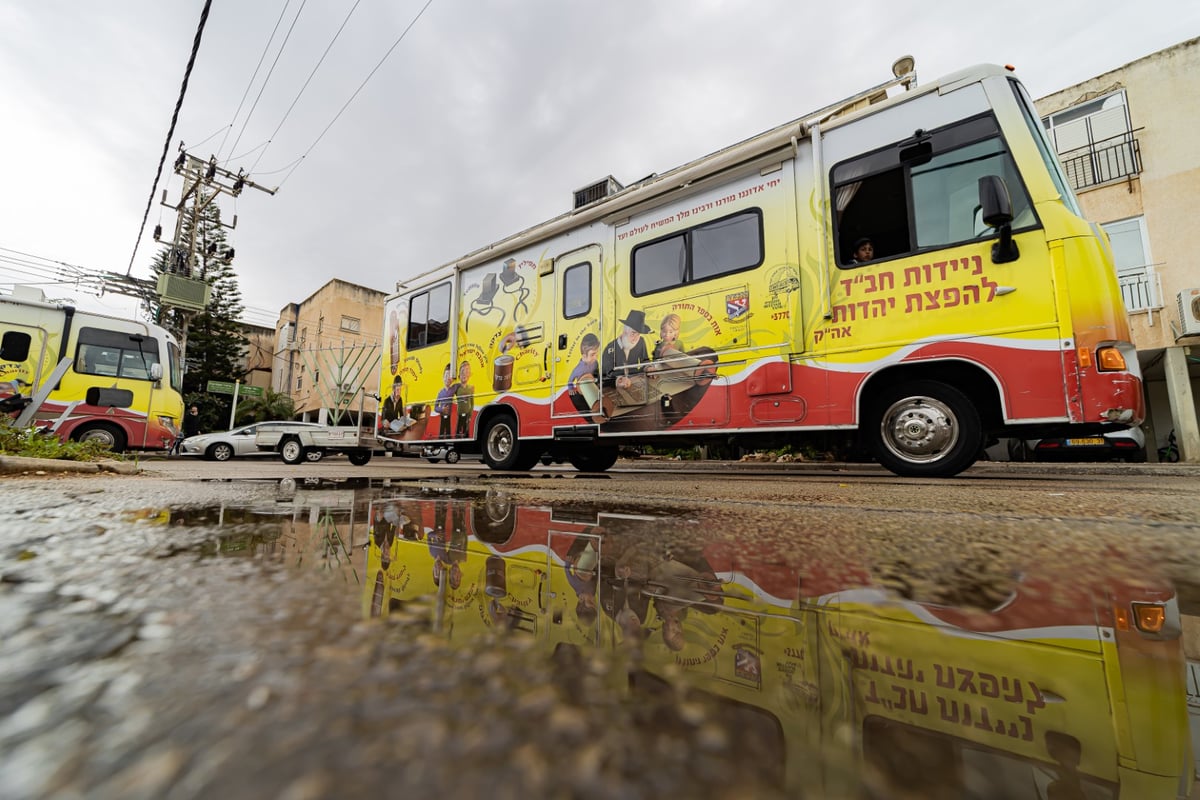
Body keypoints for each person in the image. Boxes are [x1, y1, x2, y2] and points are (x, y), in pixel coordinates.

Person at [601, 310, 651, 390]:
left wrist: (648, 368)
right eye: (633, 333)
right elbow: (606, 375)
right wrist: (619, 380)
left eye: (638, 334)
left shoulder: (641, 341)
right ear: (625, 331)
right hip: (615, 390)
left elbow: (645, 361)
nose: (635, 338)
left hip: (636, 386)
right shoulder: (609, 348)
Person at [454, 361, 474, 437]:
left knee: (466, 432)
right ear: (459, 375)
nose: (464, 374)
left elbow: (472, 403)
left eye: (467, 372)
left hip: (467, 415)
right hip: (459, 414)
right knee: (458, 432)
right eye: (462, 372)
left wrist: (470, 415)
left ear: (469, 375)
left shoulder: (470, 388)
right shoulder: (457, 388)